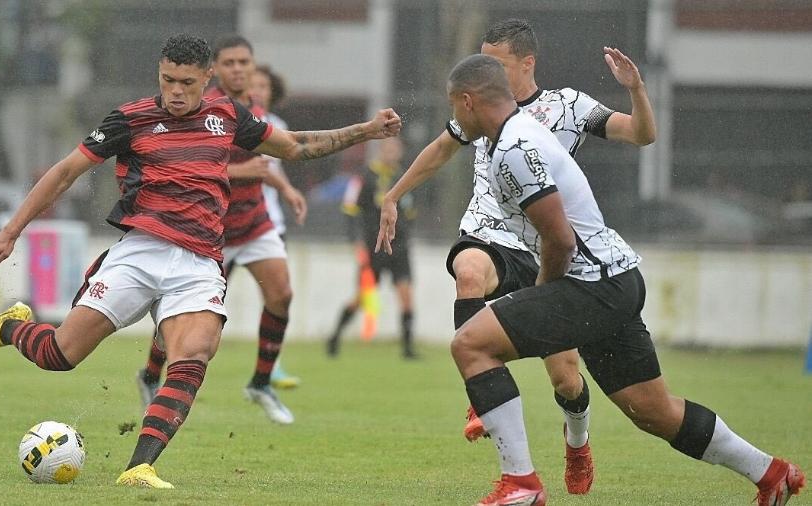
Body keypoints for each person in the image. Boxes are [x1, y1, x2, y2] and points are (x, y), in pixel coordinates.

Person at [0, 33, 401, 488]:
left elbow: (292, 146)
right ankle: (10, 326)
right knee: (60, 354)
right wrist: (12, 231)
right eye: (168, 79)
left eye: (186, 83)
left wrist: (364, 131)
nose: (175, 91)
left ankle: (139, 466)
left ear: (206, 78)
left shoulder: (228, 116)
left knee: (192, 355)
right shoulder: (129, 119)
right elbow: (65, 172)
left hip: (198, 264)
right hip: (139, 252)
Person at [442, 53, 804, 506]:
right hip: (616, 278)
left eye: (453, 106)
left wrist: (543, 297)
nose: (453, 116)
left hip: (592, 285)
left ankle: (521, 483)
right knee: (655, 412)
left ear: (468, 100)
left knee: (470, 344)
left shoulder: (513, 149)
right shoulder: (516, 135)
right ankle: (772, 474)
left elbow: (560, 240)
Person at [376, 18, 656, 494]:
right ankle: (481, 396)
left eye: (498, 63)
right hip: (490, 234)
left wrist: (637, 90)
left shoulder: (568, 107)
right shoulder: (478, 105)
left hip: (547, 245)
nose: (487, 70)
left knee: (566, 378)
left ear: (527, 63)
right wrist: (393, 195)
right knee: (467, 272)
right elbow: (442, 149)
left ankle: (577, 439)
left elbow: (641, 135)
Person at [136, 35, 308, 424]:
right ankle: (150, 374)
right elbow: (193, 165)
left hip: (255, 222)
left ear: (252, 66)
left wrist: (287, 189)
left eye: (243, 62)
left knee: (281, 293)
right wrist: (243, 171)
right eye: (229, 62)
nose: (237, 69)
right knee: (186, 318)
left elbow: (271, 159)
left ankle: (261, 383)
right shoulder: (205, 108)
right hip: (209, 232)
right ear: (216, 69)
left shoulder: (257, 108)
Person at [327, 137, 417, 359]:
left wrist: (406, 235)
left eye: (395, 150)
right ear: (380, 151)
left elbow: (410, 212)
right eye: (388, 149)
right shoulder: (364, 176)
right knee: (362, 298)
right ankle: (335, 337)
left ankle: (407, 349)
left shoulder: (403, 178)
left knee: (406, 294)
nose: (391, 154)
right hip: (373, 246)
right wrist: (357, 241)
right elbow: (350, 210)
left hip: (399, 247)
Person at [249, 64, 302, 389]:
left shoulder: (278, 126)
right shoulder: (231, 121)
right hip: (228, 224)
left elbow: (271, 168)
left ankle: (270, 369)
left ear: (272, 92)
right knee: (202, 297)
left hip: (268, 224)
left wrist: (286, 190)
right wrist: (287, 189)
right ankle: (161, 366)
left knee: (278, 297)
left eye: (263, 86)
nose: (256, 90)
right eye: (252, 85)